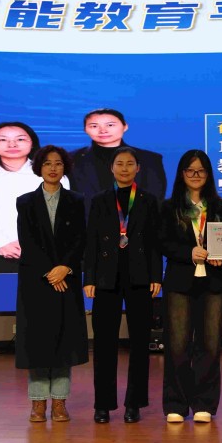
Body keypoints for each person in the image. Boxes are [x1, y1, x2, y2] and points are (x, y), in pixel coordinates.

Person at [83, 146, 162, 424]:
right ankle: (102, 405)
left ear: (138, 168)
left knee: (140, 342)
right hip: (106, 277)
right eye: (120, 163)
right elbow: (91, 240)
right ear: (111, 168)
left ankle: (134, 404)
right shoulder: (100, 199)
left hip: (140, 277)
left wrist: (156, 275)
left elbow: (154, 241)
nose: (125, 168)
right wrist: (89, 278)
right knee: (104, 343)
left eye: (130, 164)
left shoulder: (148, 200)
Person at [15, 146, 89, 423]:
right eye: (47, 163)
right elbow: (28, 242)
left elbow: (80, 239)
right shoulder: (25, 202)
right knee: (37, 342)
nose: (53, 168)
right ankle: (37, 403)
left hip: (67, 280)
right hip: (36, 282)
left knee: (63, 342)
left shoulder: (76, 200)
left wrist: (64, 268)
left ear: (65, 167)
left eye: (58, 163)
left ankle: (59, 401)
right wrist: (50, 272)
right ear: (39, 168)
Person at [159, 149, 222, 424]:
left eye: (201, 170)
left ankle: (204, 403)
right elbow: (162, 242)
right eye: (190, 170)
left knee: (210, 345)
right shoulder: (169, 207)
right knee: (177, 345)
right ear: (182, 174)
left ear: (208, 174)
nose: (195, 175)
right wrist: (188, 252)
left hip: (213, 283)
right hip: (179, 281)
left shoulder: (220, 206)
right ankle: (176, 404)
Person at [0, 122, 68, 273]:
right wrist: (0, 243)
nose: (12, 144)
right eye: (3, 139)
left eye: (20, 139)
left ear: (32, 143)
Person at [69, 108, 167, 208]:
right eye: (94, 126)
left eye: (110, 125)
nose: (103, 130)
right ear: (85, 130)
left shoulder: (149, 159)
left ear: (125, 126)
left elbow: (155, 198)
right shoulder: (72, 159)